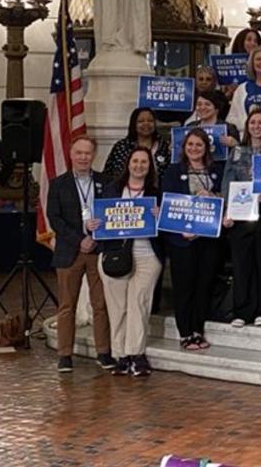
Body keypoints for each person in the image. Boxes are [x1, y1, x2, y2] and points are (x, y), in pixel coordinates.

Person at [46, 135, 114, 373]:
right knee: (67, 306)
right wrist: (80, 239)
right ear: (71, 154)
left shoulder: (106, 182)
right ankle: (65, 355)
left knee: (101, 304)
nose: (83, 157)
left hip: (98, 250)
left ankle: (104, 352)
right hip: (70, 251)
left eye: (87, 153)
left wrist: (94, 238)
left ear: (93, 155)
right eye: (79, 153)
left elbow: (112, 213)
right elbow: (54, 218)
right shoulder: (58, 184)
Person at [96, 146, 163, 377]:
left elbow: (165, 227)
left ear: (150, 166)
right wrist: (92, 225)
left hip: (147, 256)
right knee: (118, 308)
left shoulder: (157, 192)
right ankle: (120, 355)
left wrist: (160, 216)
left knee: (139, 305)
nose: (139, 166)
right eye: (135, 161)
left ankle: (137, 354)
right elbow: (99, 219)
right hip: (115, 255)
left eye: (144, 162)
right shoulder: (112, 189)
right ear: (128, 164)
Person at [161, 128, 225, 351]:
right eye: (190, 145)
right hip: (183, 240)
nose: (194, 149)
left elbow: (224, 200)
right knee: (184, 287)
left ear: (206, 148)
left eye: (199, 145)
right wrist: (182, 230)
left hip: (208, 240)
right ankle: (185, 333)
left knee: (204, 285)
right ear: (184, 147)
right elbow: (168, 205)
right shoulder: (172, 171)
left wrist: (215, 196)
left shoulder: (215, 171)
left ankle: (198, 330)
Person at [221, 109, 261, 328]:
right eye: (252, 122)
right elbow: (227, 182)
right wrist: (227, 210)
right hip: (241, 211)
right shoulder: (236, 152)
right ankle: (241, 310)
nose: (256, 126)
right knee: (241, 263)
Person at [104, 107, 171, 182]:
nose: (146, 124)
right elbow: (108, 175)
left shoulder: (164, 147)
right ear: (134, 124)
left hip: (157, 192)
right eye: (141, 121)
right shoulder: (121, 147)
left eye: (150, 121)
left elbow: (171, 175)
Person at [226, 46, 261, 128]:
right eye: (258, 59)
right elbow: (231, 119)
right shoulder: (242, 89)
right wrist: (251, 125)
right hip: (246, 139)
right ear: (252, 63)